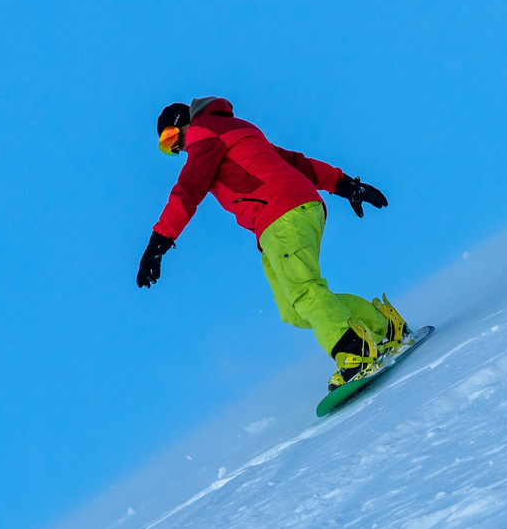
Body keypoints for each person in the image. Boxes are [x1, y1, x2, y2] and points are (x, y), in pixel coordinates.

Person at [137, 97, 410, 391]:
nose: (175, 149)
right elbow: (294, 163)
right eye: (166, 148)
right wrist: (346, 186)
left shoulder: (204, 133)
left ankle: (355, 354)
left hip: (280, 214)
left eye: (170, 138)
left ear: (184, 124)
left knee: (305, 291)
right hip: (285, 217)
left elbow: (188, 190)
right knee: (294, 309)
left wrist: (158, 244)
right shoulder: (235, 129)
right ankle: (384, 328)